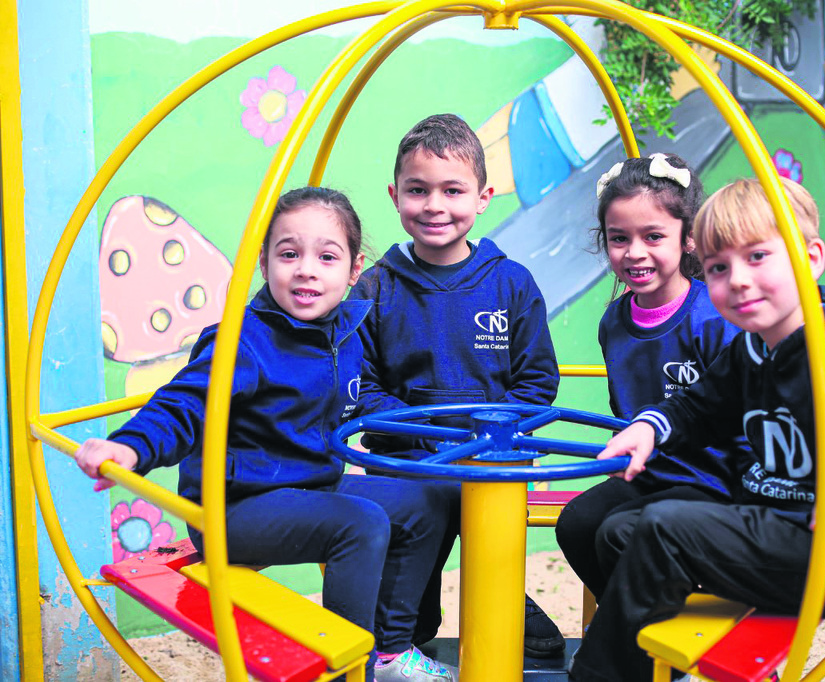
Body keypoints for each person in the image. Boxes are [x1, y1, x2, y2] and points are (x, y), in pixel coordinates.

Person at [75, 186, 457, 682]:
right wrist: (131, 445)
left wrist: (432, 432)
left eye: (326, 256)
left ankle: (388, 652)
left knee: (429, 501)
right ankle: (344, 671)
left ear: (353, 269)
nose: (306, 269)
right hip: (234, 507)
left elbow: (358, 398)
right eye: (289, 254)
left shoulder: (343, 330)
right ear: (264, 262)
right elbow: (186, 401)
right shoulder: (243, 340)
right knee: (359, 524)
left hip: (309, 486)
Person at [568, 177, 825, 682]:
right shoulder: (753, 348)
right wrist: (652, 426)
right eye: (718, 268)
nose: (736, 279)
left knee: (662, 526)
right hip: (774, 525)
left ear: (812, 258)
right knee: (618, 535)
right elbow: (697, 407)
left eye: (758, 257)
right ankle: (657, 666)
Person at [349, 113, 564, 658]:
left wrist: (482, 439)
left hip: (491, 464)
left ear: (484, 196)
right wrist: (425, 441)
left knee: (513, 612)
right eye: (418, 190)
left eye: (453, 190)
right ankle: (405, 636)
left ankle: (508, 605)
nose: (435, 205)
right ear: (395, 195)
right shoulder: (373, 287)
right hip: (409, 468)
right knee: (409, 612)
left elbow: (538, 383)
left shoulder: (510, 283)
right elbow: (363, 386)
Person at [554, 153, 742, 602]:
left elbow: (738, 416)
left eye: (653, 236)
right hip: (650, 477)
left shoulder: (713, 317)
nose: (634, 252)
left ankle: (648, 646)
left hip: (714, 484)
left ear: (689, 239)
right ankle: (638, 634)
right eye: (619, 238)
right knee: (578, 523)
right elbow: (628, 411)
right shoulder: (615, 322)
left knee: (618, 533)